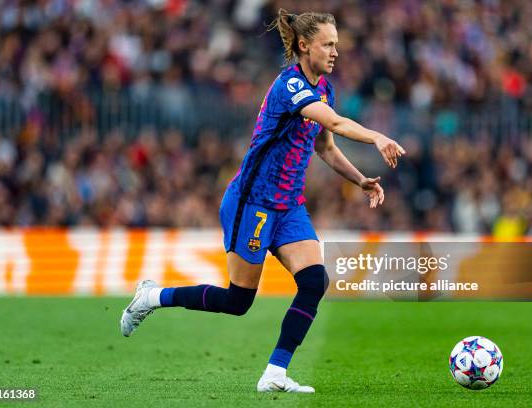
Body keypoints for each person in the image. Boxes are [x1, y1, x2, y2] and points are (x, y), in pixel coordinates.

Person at [120, 8, 405, 393]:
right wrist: (377, 137)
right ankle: (153, 296)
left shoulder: (323, 88)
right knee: (238, 301)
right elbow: (336, 122)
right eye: (329, 44)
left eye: (337, 44)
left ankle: (275, 373)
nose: (336, 52)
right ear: (305, 45)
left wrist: (360, 180)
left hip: (288, 206)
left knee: (314, 280)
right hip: (250, 203)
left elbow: (325, 145)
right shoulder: (290, 86)